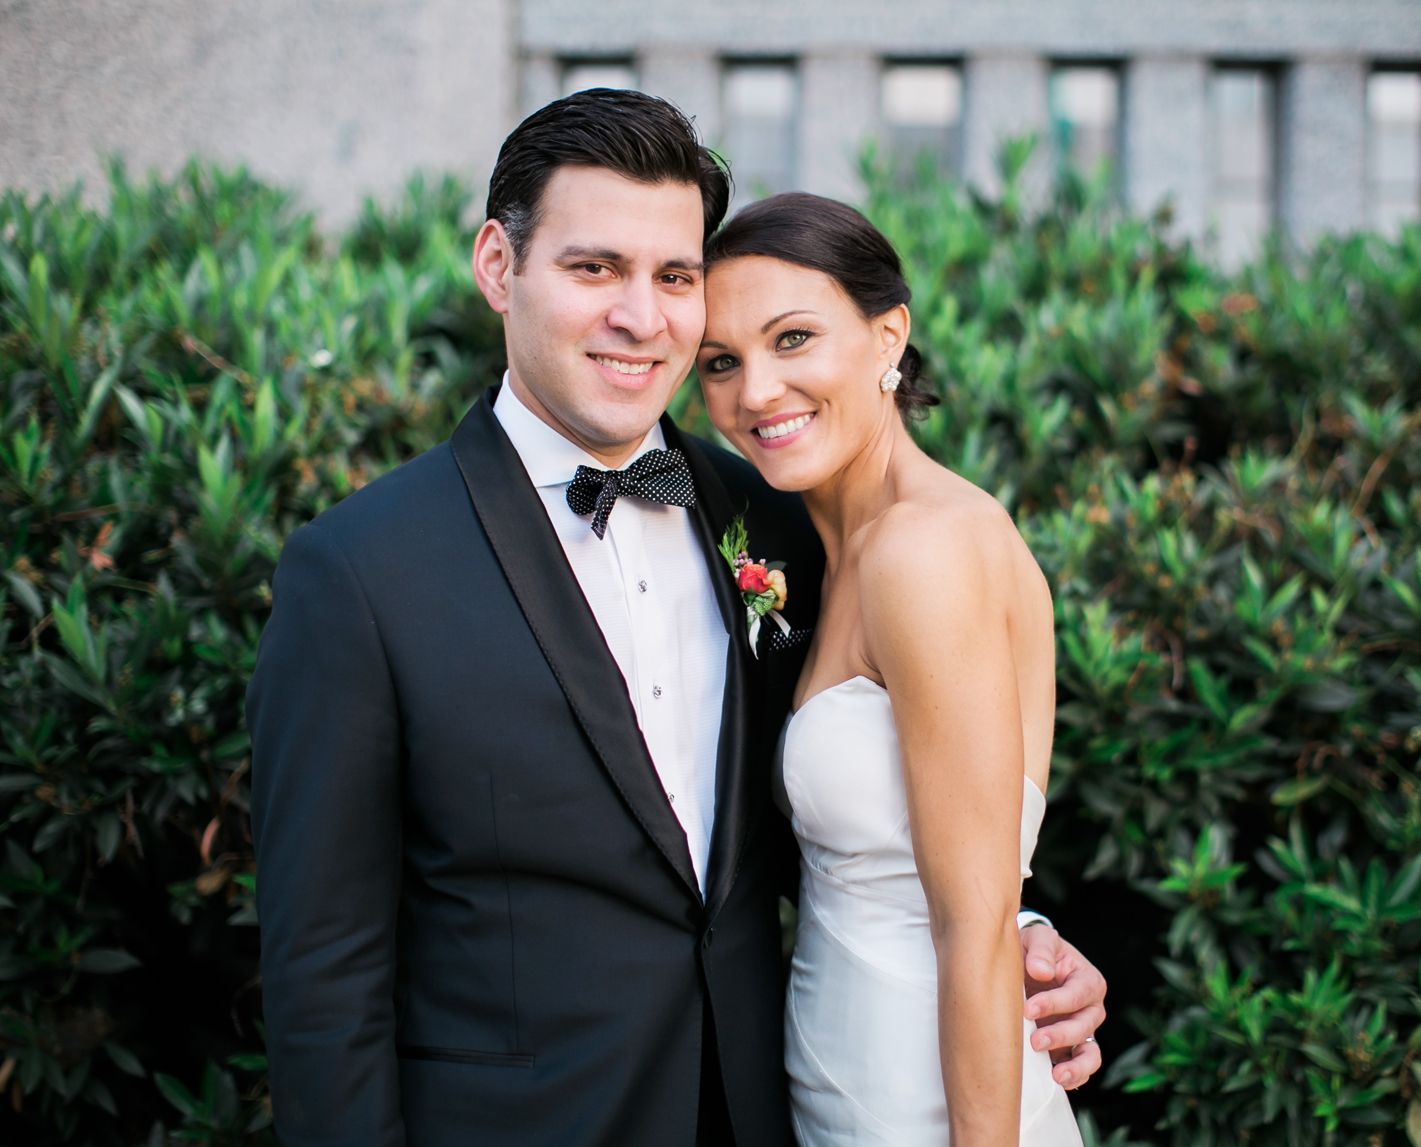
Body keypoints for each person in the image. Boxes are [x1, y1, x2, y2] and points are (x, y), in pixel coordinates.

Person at [247, 88, 1104, 1146]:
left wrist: (1018, 933)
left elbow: (855, 815)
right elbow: (324, 968)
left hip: (768, 1109)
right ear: (497, 266)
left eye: (674, 277)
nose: (640, 316)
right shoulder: (358, 572)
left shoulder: (770, 520)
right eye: (593, 267)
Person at [697, 192, 1085, 1146]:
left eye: (793, 338)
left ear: (887, 337)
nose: (755, 391)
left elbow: (974, 922)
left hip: (929, 1096)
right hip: (841, 1070)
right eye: (720, 361)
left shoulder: (926, 550)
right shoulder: (829, 551)